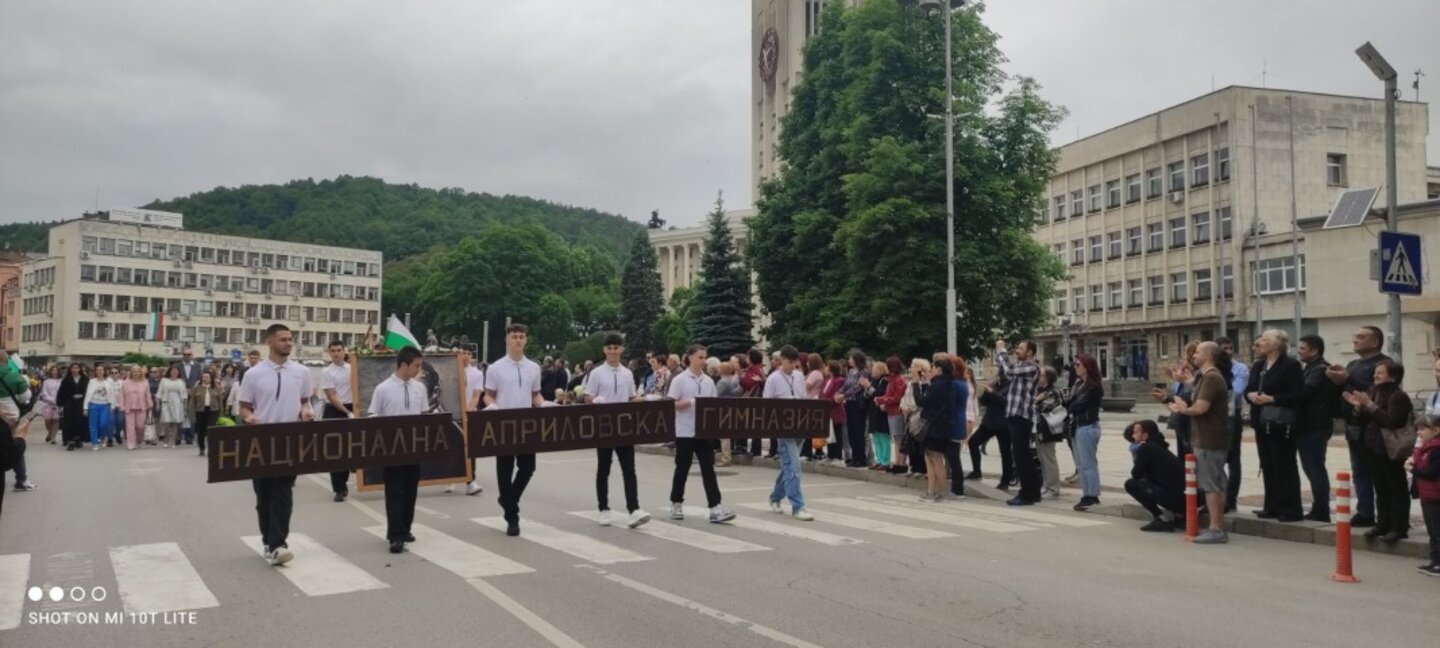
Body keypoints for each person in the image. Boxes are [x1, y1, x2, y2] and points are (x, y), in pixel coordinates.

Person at [239, 323, 315, 566]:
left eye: (290, 339)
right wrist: (248, 417)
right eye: (283, 339)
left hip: (289, 438)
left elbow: (304, 401)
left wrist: (306, 412)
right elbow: (244, 406)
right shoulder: (253, 374)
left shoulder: (301, 372)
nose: (288, 343)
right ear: (269, 342)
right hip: (261, 440)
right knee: (264, 495)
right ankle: (268, 541)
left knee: (283, 492)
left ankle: (278, 543)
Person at [1165, 341, 1231, 544]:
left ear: (1209, 355)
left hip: (1210, 438)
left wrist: (1183, 409)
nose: (1194, 355)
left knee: (1211, 485)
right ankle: (1216, 526)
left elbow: (1201, 408)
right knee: (1216, 483)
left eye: (1199, 352)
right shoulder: (1206, 376)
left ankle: (1215, 528)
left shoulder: (1211, 377)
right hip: (1207, 436)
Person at [1342, 359, 1414, 542]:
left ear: (1393, 376)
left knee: (1395, 487)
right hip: (1373, 446)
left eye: (1380, 373)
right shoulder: (1373, 391)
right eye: (1375, 372)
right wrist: (1358, 407)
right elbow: (1365, 417)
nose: (1375, 376)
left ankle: (1398, 527)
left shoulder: (1398, 396)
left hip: (1390, 448)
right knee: (1380, 487)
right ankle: (1382, 524)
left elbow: (1392, 421)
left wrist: (1370, 405)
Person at [584, 332, 651, 529]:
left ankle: (634, 509)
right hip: (604, 426)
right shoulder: (596, 373)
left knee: (629, 468)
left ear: (621, 349)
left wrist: (647, 399)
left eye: (616, 348)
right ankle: (603, 509)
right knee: (604, 468)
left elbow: (631, 397)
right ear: (604, 350)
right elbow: (588, 395)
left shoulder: (627, 373)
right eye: (609, 348)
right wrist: (594, 400)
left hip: (623, 426)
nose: (613, 351)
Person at [485, 323, 544, 537]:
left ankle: (508, 499)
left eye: (521, 336)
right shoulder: (495, 368)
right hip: (504, 423)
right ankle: (513, 517)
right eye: (514, 336)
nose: (518, 340)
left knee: (528, 467)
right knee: (505, 469)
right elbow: (489, 394)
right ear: (507, 340)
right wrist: (491, 405)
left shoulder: (534, 367)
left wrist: (544, 405)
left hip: (526, 423)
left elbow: (535, 394)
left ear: (526, 340)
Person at [1326, 326, 1388, 528]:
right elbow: (1346, 389)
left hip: (1373, 426)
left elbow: (1377, 389)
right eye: (1355, 337)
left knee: (1377, 471)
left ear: (1375, 342)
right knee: (1359, 470)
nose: (1355, 341)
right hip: (1352, 424)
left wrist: (1347, 378)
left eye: (1361, 337)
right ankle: (1365, 511)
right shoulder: (1353, 363)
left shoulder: (1384, 364)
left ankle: (1386, 515)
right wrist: (1336, 380)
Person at [667, 344, 736, 524]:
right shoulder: (680, 380)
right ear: (690, 358)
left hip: (704, 431)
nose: (703, 360)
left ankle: (715, 507)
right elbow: (671, 404)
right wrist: (690, 403)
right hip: (685, 430)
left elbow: (713, 404)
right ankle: (676, 502)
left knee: (708, 468)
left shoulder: (708, 381)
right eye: (699, 357)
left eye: (705, 357)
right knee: (682, 467)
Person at [370, 346, 428, 554]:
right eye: (416, 366)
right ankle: (395, 535)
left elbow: (424, 415)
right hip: (392, 448)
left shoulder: (419, 388)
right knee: (395, 492)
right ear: (403, 365)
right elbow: (374, 416)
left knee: (410, 491)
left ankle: (405, 528)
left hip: (413, 447)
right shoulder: (383, 389)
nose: (418, 370)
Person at [1244, 329, 1305, 522]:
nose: (1259, 343)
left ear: (1277, 344)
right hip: (1261, 421)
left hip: (1280, 422)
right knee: (1268, 464)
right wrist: (1250, 395)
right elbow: (1249, 388)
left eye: (1265, 339)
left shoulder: (1291, 365)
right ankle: (1272, 505)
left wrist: (1273, 398)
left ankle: (1290, 508)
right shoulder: (1258, 365)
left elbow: (1298, 394)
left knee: (1284, 465)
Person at [760, 345, 814, 519]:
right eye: (789, 362)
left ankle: (775, 497)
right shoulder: (773, 379)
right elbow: (767, 404)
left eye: (794, 362)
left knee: (789, 466)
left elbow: (803, 398)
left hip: (799, 425)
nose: (792, 365)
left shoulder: (798, 376)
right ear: (781, 360)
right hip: (783, 427)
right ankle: (798, 506)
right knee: (794, 466)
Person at [994, 339, 1041, 506]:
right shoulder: (1022, 367)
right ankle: (1034, 492)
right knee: (1023, 455)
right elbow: (1005, 373)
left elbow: (1009, 369)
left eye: (1021, 348)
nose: (1017, 351)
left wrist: (1001, 350)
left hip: (1021, 415)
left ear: (1030, 352)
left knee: (1021, 456)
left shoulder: (1031, 366)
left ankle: (1027, 494)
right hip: (1015, 414)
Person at [1295, 335, 1335, 522]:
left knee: (1315, 468)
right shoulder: (1311, 368)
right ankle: (1318, 508)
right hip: (1309, 425)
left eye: (1303, 348)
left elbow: (1304, 391)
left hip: (1315, 426)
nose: (1299, 351)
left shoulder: (1319, 370)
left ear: (1314, 350)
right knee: (1311, 468)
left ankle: (1321, 509)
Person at [1122, 420, 1186, 532]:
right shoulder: (1160, 446)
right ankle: (1179, 516)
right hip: (1181, 498)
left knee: (1131, 484)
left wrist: (1135, 455)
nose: (1133, 436)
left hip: (1172, 499)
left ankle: (1161, 518)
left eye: (1136, 432)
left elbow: (1136, 474)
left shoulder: (1146, 448)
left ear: (1145, 435)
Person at [1067, 353, 1104, 511]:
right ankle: (1086, 493)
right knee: (1081, 464)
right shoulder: (1078, 384)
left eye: (1078, 365)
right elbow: (1068, 402)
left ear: (1087, 367)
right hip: (1077, 426)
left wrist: (1070, 404)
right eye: (1075, 365)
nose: (1075, 367)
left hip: (1087, 426)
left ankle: (1092, 495)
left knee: (1088, 463)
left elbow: (1075, 406)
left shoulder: (1093, 386)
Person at [318, 340, 355, 502]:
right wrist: (347, 412)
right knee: (335, 450)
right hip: (335, 410)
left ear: (344, 351)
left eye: (339, 350)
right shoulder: (327, 371)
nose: (336, 353)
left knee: (348, 449)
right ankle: (338, 489)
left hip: (352, 407)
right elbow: (332, 396)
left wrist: (354, 411)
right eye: (332, 350)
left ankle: (344, 481)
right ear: (329, 353)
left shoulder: (352, 369)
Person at [917, 357, 957, 501]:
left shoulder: (938, 385)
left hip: (934, 426)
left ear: (939, 370)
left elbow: (921, 401)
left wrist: (918, 384)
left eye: (933, 368)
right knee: (930, 458)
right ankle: (931, 490)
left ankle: (941, 491)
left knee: (936, 459)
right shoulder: (949, 384)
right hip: (942, 425)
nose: (931, 370)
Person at [1406, 415, 1440, 576]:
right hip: (1427, 494)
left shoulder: (1436, 449)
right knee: (1432, 531)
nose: (1419, 432)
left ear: (1436, 430)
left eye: (1422, 429)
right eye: (1418, 429)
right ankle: (1434, 560)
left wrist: (1412, 469)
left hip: (1436, 495)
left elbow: (1431, 472)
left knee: (1437, 530)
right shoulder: (1425, 448)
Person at [1217, 337, 1248, 513]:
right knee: (1216, 459)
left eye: (1230, 348)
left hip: (1232, 416)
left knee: (1233, 460)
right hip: (1215, 416)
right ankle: (1217, 497)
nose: (1228, 352)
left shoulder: (1239, 368)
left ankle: (1231, 499)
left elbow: (1236, 392)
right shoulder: (1213, 368)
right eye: (1224, 349)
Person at [968, 375, 1013, 490]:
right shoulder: (995, 385)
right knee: (973, 442)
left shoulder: (1012, 385)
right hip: (989, 422)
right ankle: (976, 471)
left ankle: (1005, 481)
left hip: (1003, 424)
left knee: (1005, 453)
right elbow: (983, 401)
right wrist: (987, 392)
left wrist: (992, 393)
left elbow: (1006, 403)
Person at [1033, 366, 1066, 500]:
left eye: (1040, 375)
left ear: (1048, 378)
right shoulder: (1039, 391)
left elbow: (1043, 408)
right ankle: (1046, 486)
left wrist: (1035, 401)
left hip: (1048, 430)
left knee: (1048, 459)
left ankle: (1053, 488)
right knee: (1042, 458)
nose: (1038, 377)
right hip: (1039, 429)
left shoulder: (1052, 392)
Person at [875, 357, 908, 475]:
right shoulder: (893, 379)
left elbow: (897, 397)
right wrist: (884, 400)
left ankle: (901, 463)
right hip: (891, 411)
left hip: (896, 412)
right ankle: (898, 462)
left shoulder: (899, 380)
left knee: (899, 438)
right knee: (896, 438)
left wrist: (881, 400)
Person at [460, 354, 486, 496]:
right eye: (461, 353)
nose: (464, 357)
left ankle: (471, 481)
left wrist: (469, 410)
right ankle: (452, 476)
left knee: (470, 449)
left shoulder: (476, 374)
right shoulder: (451, 370)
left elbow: (476, 395)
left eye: (467, 354)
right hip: (452, 413)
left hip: (469, 414)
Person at [82, 364, 117, 451]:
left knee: (103, 424)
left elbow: (113, 395)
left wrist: (112, 406)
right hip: (93, 404)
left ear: (104, 371)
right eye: (97, 370)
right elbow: (88, 394)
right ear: (95, 372)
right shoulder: (92, 381)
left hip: (105, 405)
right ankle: (94, 443)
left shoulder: (109, 381)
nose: (99, 371)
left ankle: (103, 437)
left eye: (101, 370)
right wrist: (85, 408)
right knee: (93, 425)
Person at [865, 360, 892, 471]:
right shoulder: (874, 380)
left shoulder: (884, 380)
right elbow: (869, 395)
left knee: (884, 437)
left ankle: (885, 461)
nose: (872, 372)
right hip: (873, 411)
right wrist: (866, 388)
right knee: (876, 437)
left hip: (881, 413)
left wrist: (869, 388)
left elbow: (880, 393)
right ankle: (879, 459)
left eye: (874, 370)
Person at [714, 360, 742, 467]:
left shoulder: (722, 382)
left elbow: (716, 395)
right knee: (727, 434)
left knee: (724, 435)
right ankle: (727, 455)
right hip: (732, 407)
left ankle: (726, 458)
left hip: (722, 408)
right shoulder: (735, 380)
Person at [175, 347, 205, 444]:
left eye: (188, 354)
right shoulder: (177, 366)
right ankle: (178, 437)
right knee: (179, 415)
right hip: (179, 394)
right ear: (182, 356)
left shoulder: (197, 366)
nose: (187, 356)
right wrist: (184, 389)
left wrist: (193, 389)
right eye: (185, 354)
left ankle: (190, 437)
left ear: (192, 356)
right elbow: (175, 379)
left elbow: (199, 379)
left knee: (191, 416)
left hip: (193, 394)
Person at [821, 361, 849, 466]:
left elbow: (837, 395)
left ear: (832, 368)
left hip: (835, 410)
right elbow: (822, 393)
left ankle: (837, 456)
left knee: (837, 434)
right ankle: (830, 455)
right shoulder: (827, 380)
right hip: (827, 410)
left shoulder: (839, 380)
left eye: (827, 366)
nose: (825, 368)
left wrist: (828, 402)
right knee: (829, 434)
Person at [189, 370, 223, 457]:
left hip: (213, 411)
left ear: (211, 378)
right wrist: (192, 413)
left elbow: (220, 401)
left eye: (207, 377)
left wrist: (221, 413)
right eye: (204, 377)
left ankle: (211, 449)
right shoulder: (197, 388)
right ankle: (202, 448)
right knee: (201, 431)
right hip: (201, 411)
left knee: (211, 430)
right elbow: (192, 402)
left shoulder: (216, 387)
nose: (205, 379)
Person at [118, 366, 152, 450]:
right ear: (131, 372)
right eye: (134, 371)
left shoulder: (145, 382)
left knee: (140, 426)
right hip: (129, 407)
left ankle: (139, 440)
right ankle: (131, 443)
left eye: (138, 371)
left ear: (141, 372)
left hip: (141, 406)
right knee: (130, 426)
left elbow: (147, 394)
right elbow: (121, 395)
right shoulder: (125, 382)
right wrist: (121, 405)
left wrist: (150, 403)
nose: (136, 373)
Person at [57, 363, 88, 451]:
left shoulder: (85, 379)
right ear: (70, 369)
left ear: (79, 369)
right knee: (69, 421)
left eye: (76, 368)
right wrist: (60, 405)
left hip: (81, 403)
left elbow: (89, 391)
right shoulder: (66, 380)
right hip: (69, 402)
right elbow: (61, 392)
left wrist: (82, 396)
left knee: (80, 421)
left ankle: (78, 438)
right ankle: (70, 441)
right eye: (73, 368)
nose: (74, 369)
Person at [157, 367, 188, 448]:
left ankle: (173, 441)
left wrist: (185, 406)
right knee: (166, 422)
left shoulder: (181, 381)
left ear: (178, 372)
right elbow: (159, 392)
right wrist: (157, 404)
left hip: (177, 402)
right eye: (173, 370)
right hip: (166, 402)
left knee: (175, 422)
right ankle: (166, 439)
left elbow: (184, 395)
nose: (174, 372)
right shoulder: (164, 380)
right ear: (169, 372)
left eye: (176, 370)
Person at [37, 366, 61, 445]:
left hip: (59, 403)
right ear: (50, 372)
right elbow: (44, 392)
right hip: (47, 403)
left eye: (56, 370)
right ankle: (50, 432)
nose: (54, 372)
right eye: (53, 370)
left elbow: (63, 391)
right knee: (47, 420)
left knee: (56, 420)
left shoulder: (61, 381)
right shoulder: (46, 381)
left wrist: (58, 401)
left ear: (58, 372)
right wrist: (51, 400)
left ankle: (53, 437)